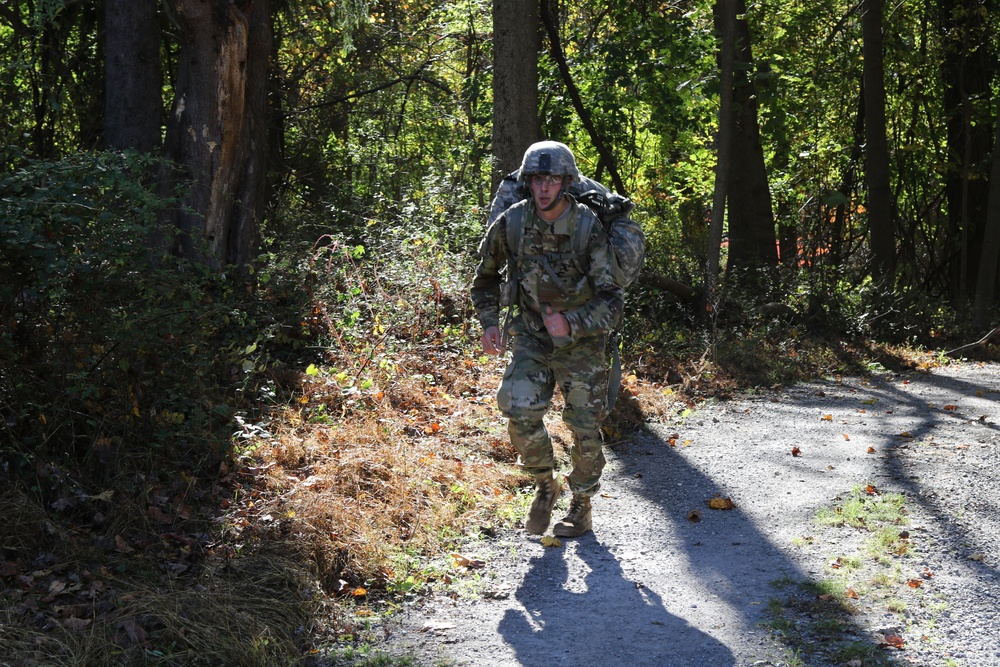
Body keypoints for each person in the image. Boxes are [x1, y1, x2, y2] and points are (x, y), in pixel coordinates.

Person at [471, 141, 623, 538]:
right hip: (532, 336)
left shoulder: (587, 226)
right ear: (528, 181)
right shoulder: (513, 222)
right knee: (516, 406)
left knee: (584, 427)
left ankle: (582, 505)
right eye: (537, 178)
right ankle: (544, 485)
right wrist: (489, 322)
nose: (543, 187)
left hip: (582, 343)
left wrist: (571, 323)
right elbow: (484, 278)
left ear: (566, 182)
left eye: (552, 178)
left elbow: (612, 301)